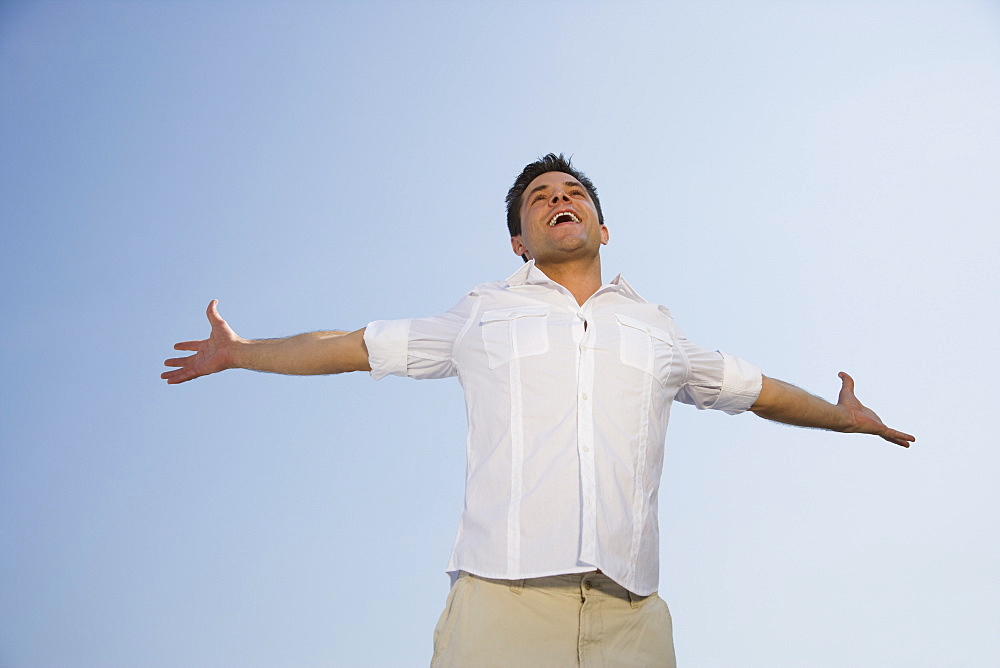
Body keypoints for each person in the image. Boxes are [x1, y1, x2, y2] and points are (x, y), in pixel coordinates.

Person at [163, 154, 914, 666]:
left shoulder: (658, 329)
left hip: (633, 619)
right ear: (520, 240)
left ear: (602, 226)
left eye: (573, 193)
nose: (560, 200)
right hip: (503, 611)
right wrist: (243, 350)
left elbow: (757, 391)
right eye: (540, 198)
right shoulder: (480, 315)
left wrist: (842, 417)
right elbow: (352, 343)